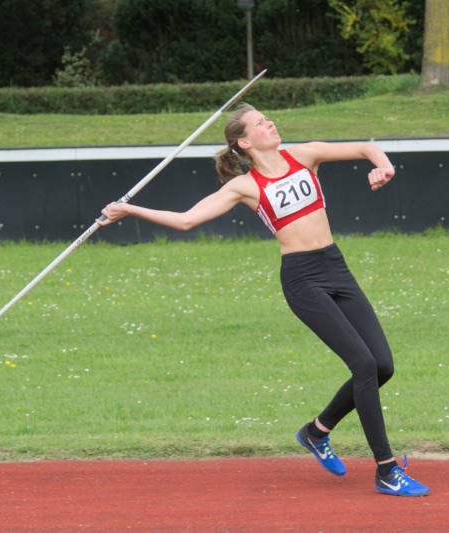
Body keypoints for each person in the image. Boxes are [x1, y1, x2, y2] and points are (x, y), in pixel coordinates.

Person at [97, 103, 429, 497]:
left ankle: (315, 432)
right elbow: (187, 219)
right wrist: (129, 209)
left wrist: (383, 165)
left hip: (336, 268)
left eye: (267, 118)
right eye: (259, 123)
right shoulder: (245, 186)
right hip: (303, 280)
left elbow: (364, 149)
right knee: (362, 364)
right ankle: (386, 470)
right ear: (244, 141)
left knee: (383, 366)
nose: (269, 123)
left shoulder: (303, 155)